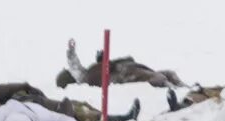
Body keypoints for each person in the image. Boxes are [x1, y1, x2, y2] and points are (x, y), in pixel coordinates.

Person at [0, 82, 137, 121]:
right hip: (32, 106)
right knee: (74, 110)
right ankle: (117, 118)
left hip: (29, 102)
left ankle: (111, 116)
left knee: (77, 106)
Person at [57, 38, 185, 89]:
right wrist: (71, 51)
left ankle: (183, 87)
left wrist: (102, 61)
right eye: (69, 73)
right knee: (157, 77)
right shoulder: (84, 78)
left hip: (127, 68)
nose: (70, 70)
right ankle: (174, 88)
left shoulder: (90, 72)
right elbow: (75, 66)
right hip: (122, 74)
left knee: (167, 73)